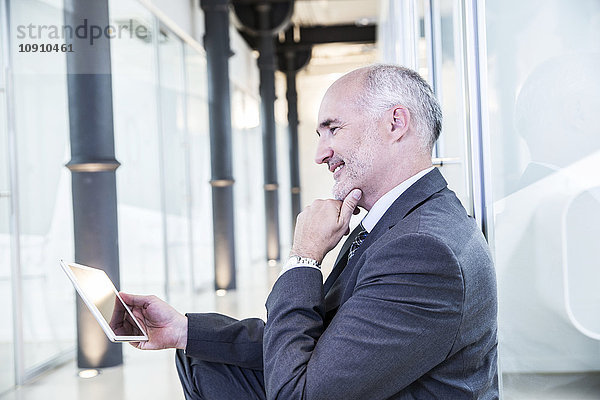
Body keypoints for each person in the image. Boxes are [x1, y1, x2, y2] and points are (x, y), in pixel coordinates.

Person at [120, 64, 499, 399]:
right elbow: (323, 337)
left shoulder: (422, 249)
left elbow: (301, 392)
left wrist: (304, 256)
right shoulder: (398, 220)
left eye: (332, 129)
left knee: (209, 370)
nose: (320, 154)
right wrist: (184, 330)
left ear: (395, 123)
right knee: (200, 358)